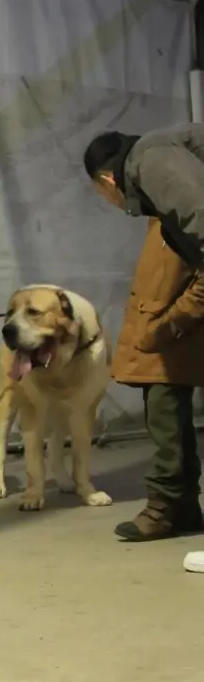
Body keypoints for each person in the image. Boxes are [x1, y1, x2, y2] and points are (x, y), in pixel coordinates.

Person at [86, 126, 204, 544]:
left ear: (107, 181)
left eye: (103, 196)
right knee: (167, 415)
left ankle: (164, 508)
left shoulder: (150, 161)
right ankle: (182, 507)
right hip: (165, 330)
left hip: (172, 331)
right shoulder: (159, 198)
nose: (113, 205)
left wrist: (166, 325)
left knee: (167, 415)